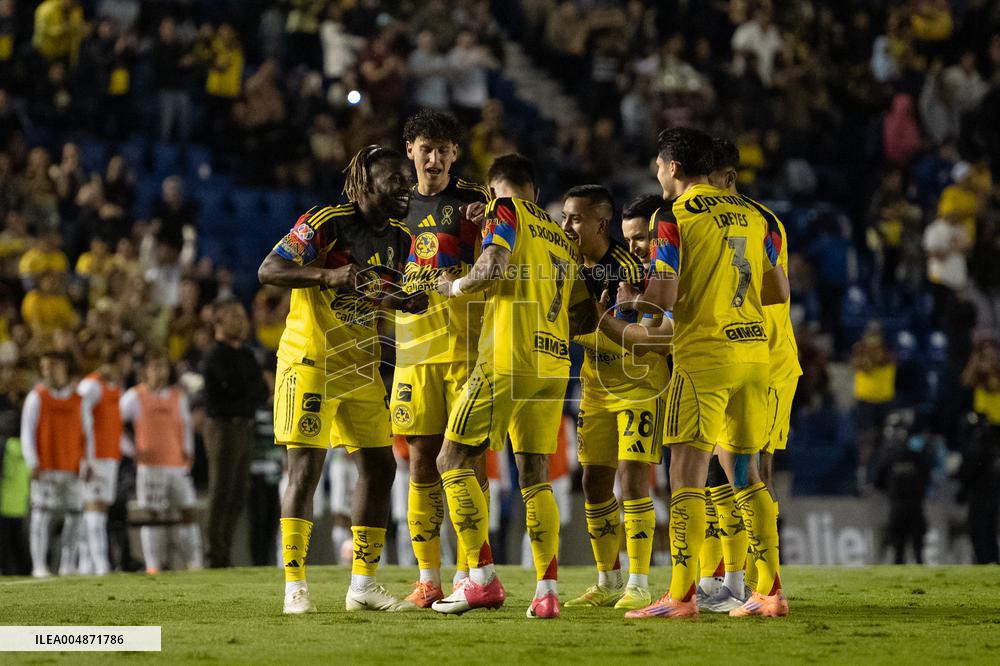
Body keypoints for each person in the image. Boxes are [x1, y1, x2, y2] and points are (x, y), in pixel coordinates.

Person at [616, 127, 789, 619]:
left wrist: (632, 301)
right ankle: (769, 592)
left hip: (705, 358)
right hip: (754, 356)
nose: (657, 172)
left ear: (672, 167)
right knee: (746, 475)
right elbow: (777, 291)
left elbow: (664, 297)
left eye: (658, 164)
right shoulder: (754, 215)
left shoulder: (672, 217)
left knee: (685, 477)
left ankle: (681, 596)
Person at [257, 145, 428, 615]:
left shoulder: (399, 237)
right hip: (310, 360)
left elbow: (373, 290)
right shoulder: (326, 221)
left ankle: (363, 585)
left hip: (360, 367)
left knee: (381, 467)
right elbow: (269, 270)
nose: (406, 188)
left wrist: (401, 301)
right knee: (305, 470)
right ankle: (295, 586)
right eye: (396, 180)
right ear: (366, 184)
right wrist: (326, 276)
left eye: (407, 181)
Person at [432, 153, 596, 619]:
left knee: (451, 458)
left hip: (507, 358)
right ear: (536, 193)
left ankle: (482, 579)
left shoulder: (505, 211)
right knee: (535, 475)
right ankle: (546, 592)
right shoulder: (562, 238)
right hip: (554, 364)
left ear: (492, 191)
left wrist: (453, 287)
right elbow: (584, 314)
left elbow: (493, 266)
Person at [389, 109, 492, 607]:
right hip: (413, 352)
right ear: (410, 150)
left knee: (468, 463)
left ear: (455, 154)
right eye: (425, 148)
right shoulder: (393, 207)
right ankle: (428, 579)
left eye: (442, 150)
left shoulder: (476, 204)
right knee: (420, 462)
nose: (433, 158)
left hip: (466, 351)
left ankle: (474, 572)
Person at [698, 136, 803, 611]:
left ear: (729, 179)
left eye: (710, 181)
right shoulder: (716, 219)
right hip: (736, 354)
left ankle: (765, 586)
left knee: (754, 468)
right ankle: (732, 582)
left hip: (769, 359)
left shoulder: (760, 220)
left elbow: (774, 289)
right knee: (724, 472)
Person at [559, 184, 667, 611]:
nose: (567, 226)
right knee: (593, 481)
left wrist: (603, 315)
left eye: (575, 218)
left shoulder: (629, 269)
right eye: (564, 217)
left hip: (640, 384)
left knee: (633, 478)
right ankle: (608, 580)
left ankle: (638, 583)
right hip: (596, 387)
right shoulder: (567, 263)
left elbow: (650, 330)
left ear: (601, 224)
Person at [120, 349, 203, 574]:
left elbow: (185, 426)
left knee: (188, 511)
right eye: (155, 366)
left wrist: (188, 453)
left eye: (163, 366)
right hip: (150, 466)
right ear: (146, 370)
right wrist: (130, 450)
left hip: (177, 465)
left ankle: (195, 564)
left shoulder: (178, 396)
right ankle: (153, 566)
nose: (160, 371)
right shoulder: (134, 396)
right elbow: (114, 424)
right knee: (152, 516)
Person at [199, 301, 268, 568]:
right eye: (233, 316)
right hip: (222, 427)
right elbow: (237, 389)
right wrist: (249, 392)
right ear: (218, 322)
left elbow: (260, 391)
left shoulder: (246, 354)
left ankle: (224, 551)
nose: (241, 321)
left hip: (244, 426)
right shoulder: (215, 355)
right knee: (220, 490)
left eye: (242, 316)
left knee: (238, 492)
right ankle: (214, 555)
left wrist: (247, 392)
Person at [21, 350, 94, 578]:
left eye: (53, 365)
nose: (48, 371)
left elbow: (88, 434)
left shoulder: (79, 400)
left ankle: (67, 564)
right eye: (44, 367)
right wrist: (32, 461)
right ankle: (39, 566)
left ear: (64, 367)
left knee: (75, 516)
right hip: (45, 467)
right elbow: (27, 433)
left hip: (72, 467)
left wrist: (89, 462)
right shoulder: (37, 397)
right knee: (41, 515)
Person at [77, 344, 129, 576]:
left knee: (100, 509)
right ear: (113, 362)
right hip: (94, 456)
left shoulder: (115, 388)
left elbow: (114, 425)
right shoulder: (90, 386)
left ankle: (86, 563)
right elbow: (81, 422)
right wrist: (85, 458)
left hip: (109, 456)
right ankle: (99, 563)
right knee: (93, 507)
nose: (128, 367)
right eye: (125, 362)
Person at [852, 322, 897, 489]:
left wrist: (874, 351)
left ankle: (879, 475)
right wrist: (865, 351)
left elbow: (882, 360)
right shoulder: (859, 351)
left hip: (884, 401)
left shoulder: (888, 353)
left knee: (884, 439)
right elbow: (862, 365)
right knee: (867, 437)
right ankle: (862, 474)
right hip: (866, 401)